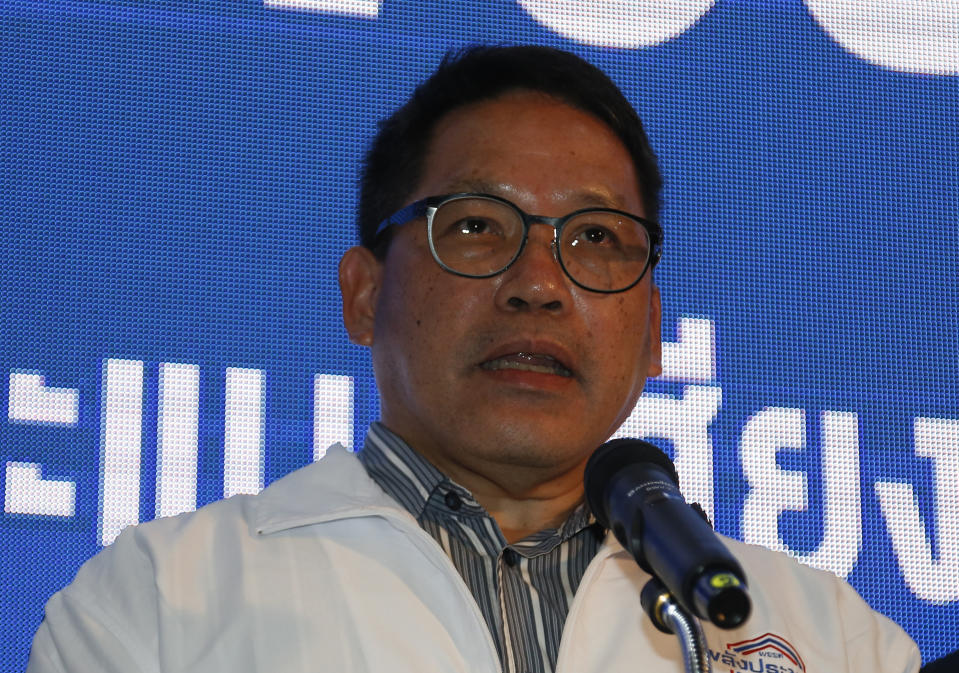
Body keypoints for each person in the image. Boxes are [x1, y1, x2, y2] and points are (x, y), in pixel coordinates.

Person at [27, 45, 920, 673]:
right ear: (364, 294)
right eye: (475, 227)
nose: (537, 283)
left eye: (597, 237)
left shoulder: (834, 640)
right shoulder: (156, 603)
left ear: (652, 330)